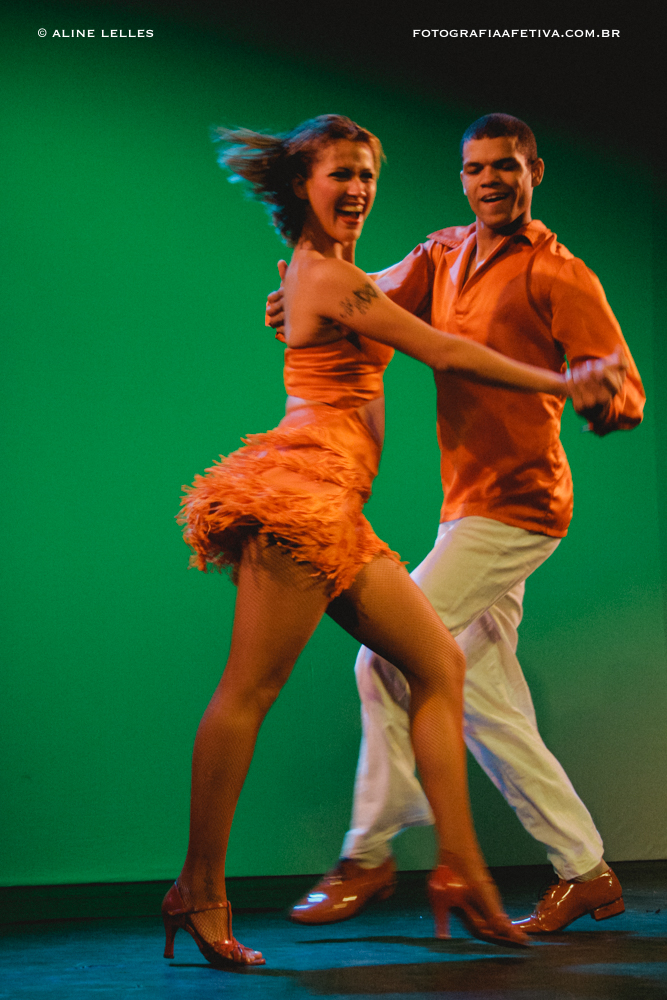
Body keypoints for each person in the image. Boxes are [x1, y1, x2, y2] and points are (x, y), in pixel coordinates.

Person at [163, 114, 625, 970]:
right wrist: (303, 291)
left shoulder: (551, 273)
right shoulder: (426, 257)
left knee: (419, 666)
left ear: (533, 173)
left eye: (367, 174)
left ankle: (410, 863)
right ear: (301, 186)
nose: (359, 189)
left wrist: (600, 390)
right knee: (370, 680)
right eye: (340, 174)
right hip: (314, 494)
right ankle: (215, 888)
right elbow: (431, 339)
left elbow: (615, 386)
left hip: (500, 503)